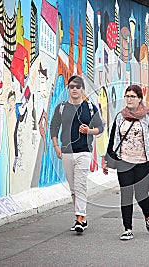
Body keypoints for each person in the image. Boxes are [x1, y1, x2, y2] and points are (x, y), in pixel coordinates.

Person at [103, 85, 149, 241]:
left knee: (141, 195)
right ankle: (127, 229)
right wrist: (107, 160)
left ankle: (147, 215)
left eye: (132, 96)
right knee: (126, 195)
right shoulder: (120, 117)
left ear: (139, 99)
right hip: (124, 162)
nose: (129, 99)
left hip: (143, 163)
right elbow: (113, 139)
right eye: (127, 96)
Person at [50, 75, 103, 234]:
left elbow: (100, 128)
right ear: (68, 89)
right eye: (72, 86)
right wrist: (55, 146)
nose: (74, 89)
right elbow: (54, 127)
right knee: (73, 188)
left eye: (78, 87)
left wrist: (89, 131)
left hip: (84, 151)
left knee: (80, 185)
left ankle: (79, 218)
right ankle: (82, 218)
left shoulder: (90, 107)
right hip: (66, 152)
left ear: (82, 89)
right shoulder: (61, 107)